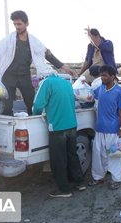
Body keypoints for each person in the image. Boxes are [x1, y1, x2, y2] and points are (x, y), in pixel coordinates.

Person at [0, 10, 75, 116]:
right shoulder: (8, 40)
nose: (17, 27)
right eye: (15, 24)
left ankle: (34, 126)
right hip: (9, 76)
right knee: (7, 106)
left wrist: (65, 68)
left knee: (31, 103)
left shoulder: (34, 42)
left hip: (24, 76)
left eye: (19, 24)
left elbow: (48, 55)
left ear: (26, 23)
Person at [32, 68, 86, 197]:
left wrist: (34, 113)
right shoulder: (66, 83)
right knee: (72, 155)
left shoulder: (47, 83)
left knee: (59, 160)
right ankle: (80, 183)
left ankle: (64, 190)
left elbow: (38, 104)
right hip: (72, 125)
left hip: (57, 127)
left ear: (42, 77)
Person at [88, 65, 121, 190]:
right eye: (101, 75)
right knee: (98, 155)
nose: (102, 77)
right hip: (99, 128)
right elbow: (91, 94)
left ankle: (116, 179)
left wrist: (120, 129)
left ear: (112, 76)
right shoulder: (101, 88)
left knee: (113, 155)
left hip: (112, 129)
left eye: (104, 75)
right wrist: (84, 84)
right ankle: (99, 177)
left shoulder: (119, 91)